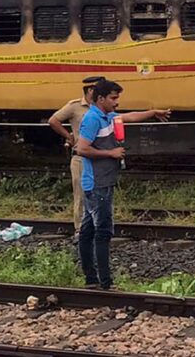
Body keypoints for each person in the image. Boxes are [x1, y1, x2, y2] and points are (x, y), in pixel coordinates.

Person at [75, 79, 171, 290]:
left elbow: (130, 116)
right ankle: (105, 282)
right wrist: (111, 153)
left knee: (87, 231)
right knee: (103, 232)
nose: (117, 102)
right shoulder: (92, 119)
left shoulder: (108, 117)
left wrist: (153, 112)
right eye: (113, 98)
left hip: (101, 182)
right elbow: (81, 149)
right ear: (101, 99)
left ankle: (91, 279)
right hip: (98, 183)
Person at [48, 76, 105, 235]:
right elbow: (53, 120)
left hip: (100, 156)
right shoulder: (75, 106)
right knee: (81, 195)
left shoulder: (102, 107)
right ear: (91, 90)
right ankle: (81, 229)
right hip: (81, 157)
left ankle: (99, 227)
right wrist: (69, 136)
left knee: (101, 194)